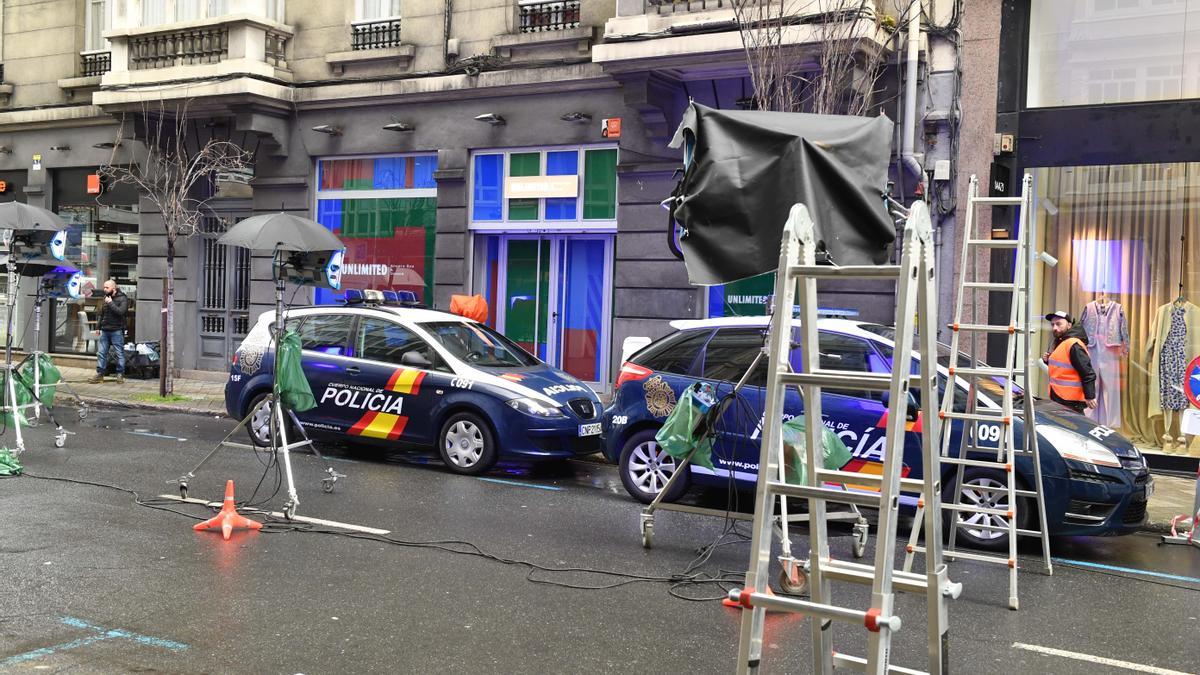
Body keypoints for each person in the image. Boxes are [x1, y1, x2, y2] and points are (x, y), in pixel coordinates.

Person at [1042, 310, 1097, 414]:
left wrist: (1090, 396)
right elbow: (1064, 368)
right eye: (1052, 324)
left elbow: (1087, 372)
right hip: (1061, 398)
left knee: (1074, 429)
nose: (1054, 328)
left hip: (1070, 402)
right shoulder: (1062, 342)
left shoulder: (1073, 344)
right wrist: (1048, 361)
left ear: (1069, 325)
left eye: (1058, 324)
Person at [88, 280, 128, 384]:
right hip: (105, 330)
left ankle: (120, 374)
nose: (105, 289)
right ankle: (100, 374)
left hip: (117, 330)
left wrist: (111, 303)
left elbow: (121, 312)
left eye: (107, 288)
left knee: (119, 352)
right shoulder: (105, 298)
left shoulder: (122, 298)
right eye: (104, 287)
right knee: (101, 353)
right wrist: (98, 326)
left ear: (113, 289)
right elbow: (101, 313)